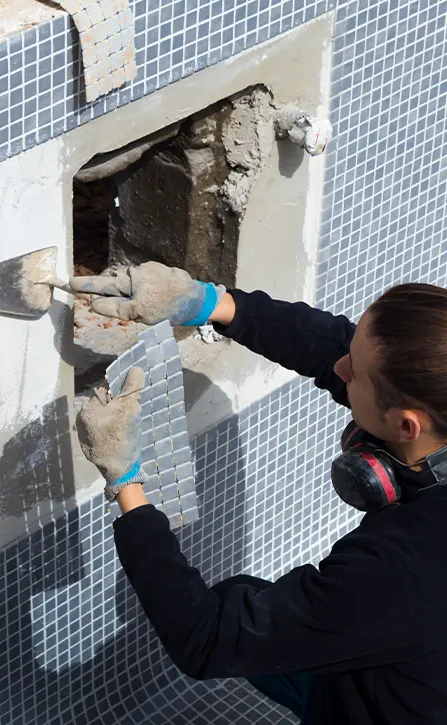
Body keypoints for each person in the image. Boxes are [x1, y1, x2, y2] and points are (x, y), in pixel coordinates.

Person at [72, 262, 447, 725]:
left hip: (382, 708)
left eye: (354, 374)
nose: (338, 367)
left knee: (239, 629)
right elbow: (340, 349)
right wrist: (211, 302)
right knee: (243, 597)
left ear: (407, 426)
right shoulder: (433, 405)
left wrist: (124, 478)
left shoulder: (401, 572)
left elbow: (204, 640)